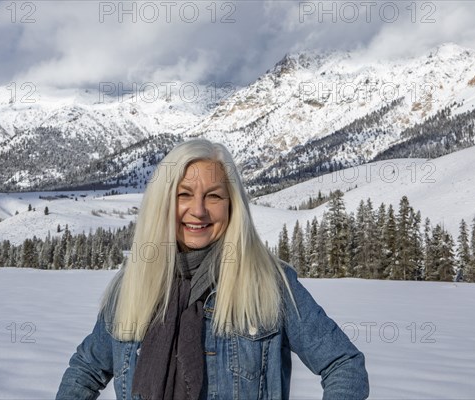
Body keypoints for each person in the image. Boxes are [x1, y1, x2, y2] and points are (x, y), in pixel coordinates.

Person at [56, 139, 369, 400]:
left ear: (232, 205)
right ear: (163, 203)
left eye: (214, 196)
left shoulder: (269, 284)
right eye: (184, 194)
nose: (199, 210)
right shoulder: (133, 285)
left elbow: (343, 364)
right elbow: (85, 370)